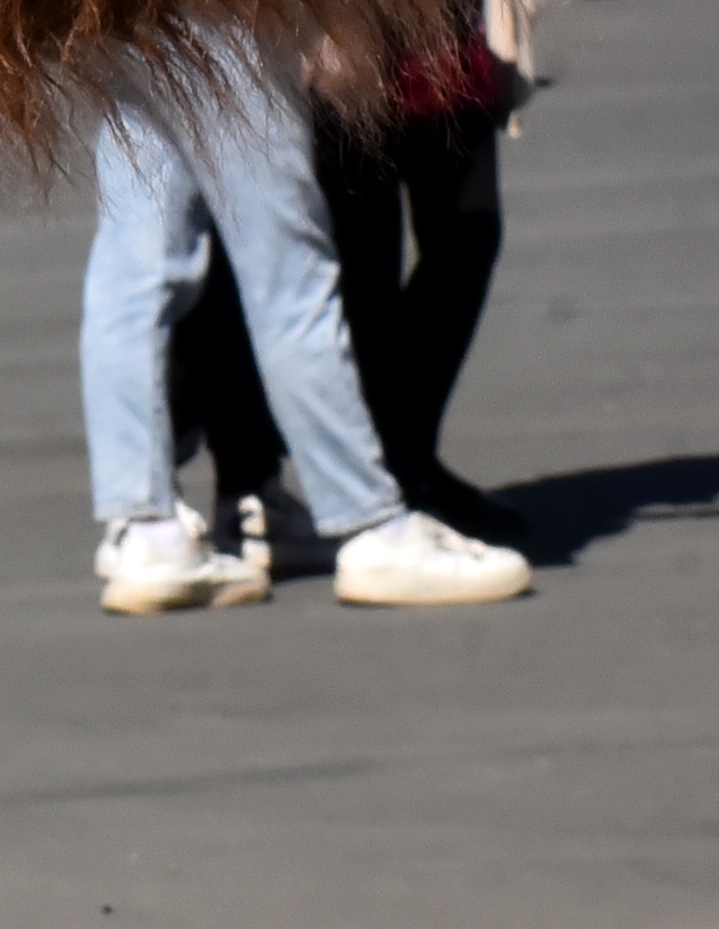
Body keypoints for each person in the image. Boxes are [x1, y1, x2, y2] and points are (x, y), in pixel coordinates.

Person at [81, 41, 528, 610]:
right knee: (287, 267)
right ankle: (368, 522)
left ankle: (144, 526)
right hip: (235, 3)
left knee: (135, 260)